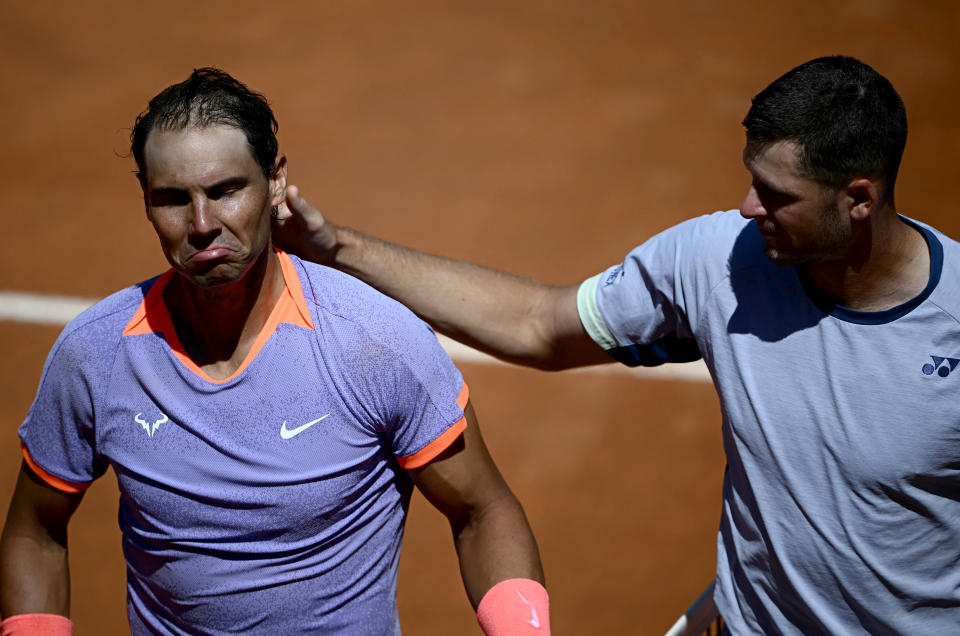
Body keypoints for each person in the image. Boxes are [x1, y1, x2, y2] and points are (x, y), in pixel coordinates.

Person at [271, 56, 960, 633]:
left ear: (860, 199)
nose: (749, 207)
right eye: (752, 180)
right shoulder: (720, 263)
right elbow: (540, 324)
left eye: (777, 195)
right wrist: (337, 248)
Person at [0, 68, 550, 636]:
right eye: (172, 200)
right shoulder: (95, 356)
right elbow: (34, 530)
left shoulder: (373, 342)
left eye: (225, 190)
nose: (202, 225)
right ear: (145, 203)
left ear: (277, 182)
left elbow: (482, 510)